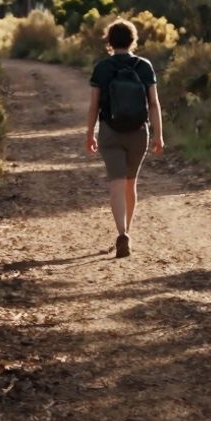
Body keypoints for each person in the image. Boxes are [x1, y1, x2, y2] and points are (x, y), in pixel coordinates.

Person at [85, 19, 164, 258]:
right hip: (139, 132)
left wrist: (90, 133)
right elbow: (153, 103)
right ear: (133, 40)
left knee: (116, 183)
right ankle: (127, 230)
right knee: (131, 183)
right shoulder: (144, 66)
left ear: (109, 42)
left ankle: (122, 233)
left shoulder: (102, 68)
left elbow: (93, 105)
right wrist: (159, 135)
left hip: (110, 131)